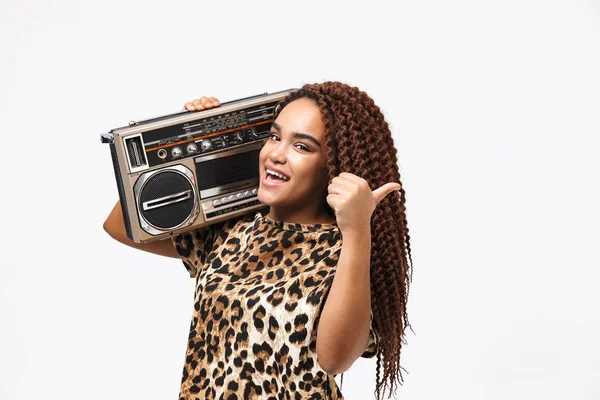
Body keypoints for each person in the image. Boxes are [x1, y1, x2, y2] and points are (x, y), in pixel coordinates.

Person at [103, 81, 413, 400]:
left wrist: (358, 228)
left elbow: (335, 358)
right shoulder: (230, 233)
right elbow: (120, 226)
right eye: (275, 136)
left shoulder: (350, 251)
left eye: (301, 146)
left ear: (334, 167)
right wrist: (186, 140)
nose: (276, 154)